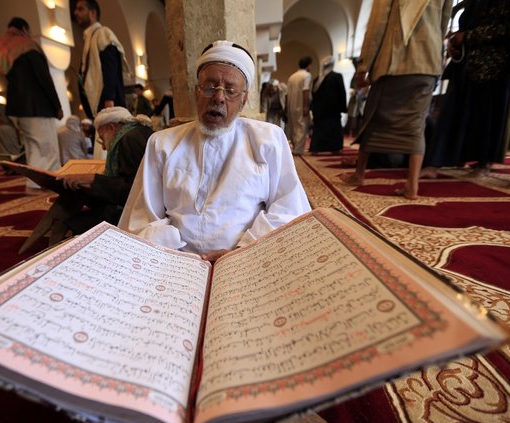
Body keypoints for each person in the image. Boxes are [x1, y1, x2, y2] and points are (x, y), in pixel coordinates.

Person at [118, 40, 311, 263]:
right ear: (196, 93)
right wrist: (177, 252)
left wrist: (243, 249)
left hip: (247, 258)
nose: (218, 97)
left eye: (230, 90)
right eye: (210, 87)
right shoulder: (161, 144)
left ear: (243, 100)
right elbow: (143, 216)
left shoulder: (268, 140)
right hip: (175, 260)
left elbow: (289, 209)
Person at [341, 0, 452, 199]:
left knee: (372, 117)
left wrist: (363, 66)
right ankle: (412, 186)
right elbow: (443, 23)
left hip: (394, 62)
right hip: (428, 61)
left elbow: (377, 25)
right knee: (416, 124)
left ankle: (359, 175)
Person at [422, 0, 510, 179]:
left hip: (494, 65)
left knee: (486, 117)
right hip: (467, 62)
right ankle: (435, 163)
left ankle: (483, 163)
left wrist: (468, 37)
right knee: (453, 112)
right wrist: (456, 44)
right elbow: (466, 24)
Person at [47, 107, 152, 239]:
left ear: (112, 127)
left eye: (102, 138)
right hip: (141, 203)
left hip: (143, 212)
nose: (103, 147)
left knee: (82, 217)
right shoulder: (134, 134)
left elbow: (136, 190)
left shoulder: (129, 140)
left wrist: (93, 179)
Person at [0, 17, 63, 190]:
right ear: (24, 29)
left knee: (33, 148)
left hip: (18, 109)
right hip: (37, 107)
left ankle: (33, 184)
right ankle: (48, 185)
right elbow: (44, 79)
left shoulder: (3, 50)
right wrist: (57, 105)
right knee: (46, 147)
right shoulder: (28, 46)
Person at [74, 0, 129, 119]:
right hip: (100, 107)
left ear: (92, 13)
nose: (76, 13)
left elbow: (110, 67)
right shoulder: (89, 39)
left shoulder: (103, 33)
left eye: (80, 9)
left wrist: (109, 99)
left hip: (108, 105)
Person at [310, 56, 347, 153]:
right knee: (333, 129)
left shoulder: (317, 79)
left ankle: (317, 148)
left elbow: (313, 96)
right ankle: (334, 148)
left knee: (320, 129)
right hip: (332, 111)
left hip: (320, 111)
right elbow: (342, 93)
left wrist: (314, 110)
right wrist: (343, 108)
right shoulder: (337, 77)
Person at [285, 56, 313, 154]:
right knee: (301, 126)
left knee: (293, 126)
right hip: (301, 104)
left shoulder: (292, 76)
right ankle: (298, 149)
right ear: (308, 65)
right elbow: (305, 90)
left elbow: (286, 94)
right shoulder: (307, 75)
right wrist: (306, 106)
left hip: (291, 105)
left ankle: (294, 147)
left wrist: (286, 108)